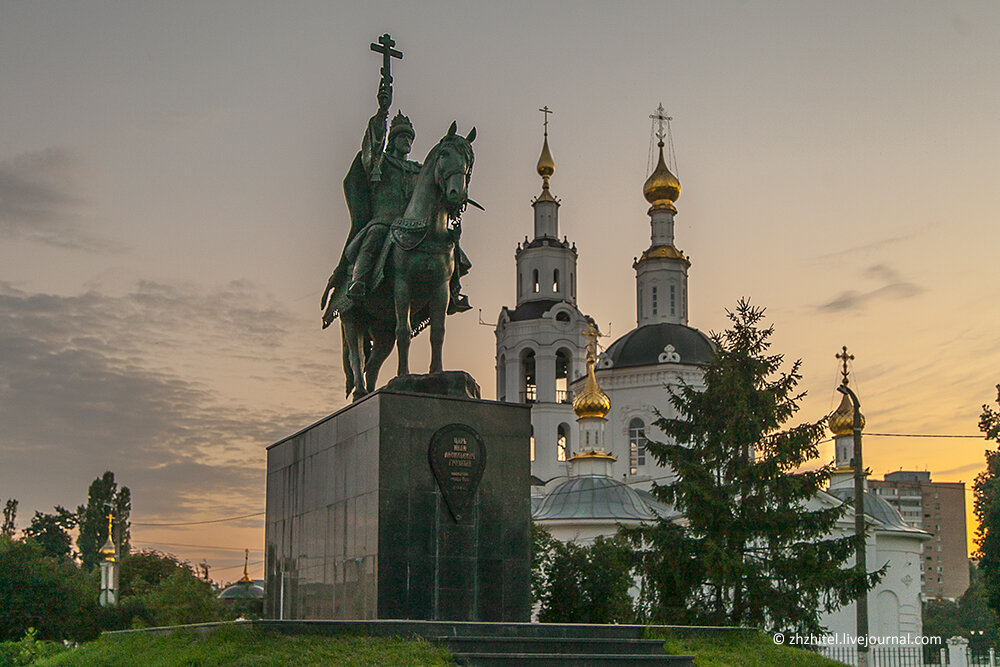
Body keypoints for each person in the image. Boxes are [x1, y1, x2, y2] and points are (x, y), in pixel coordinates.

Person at [340, 78, 471, 314]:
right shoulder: (382, 163)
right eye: (402, 137)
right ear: (393, 140)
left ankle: (454, 289)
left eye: (409, 138)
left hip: (415, 224)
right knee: (374, 236)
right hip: (385, 219)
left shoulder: (418, 170)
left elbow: (434, 191)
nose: (407, 142)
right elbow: (372, 145)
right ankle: (358, 280)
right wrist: (382, 112)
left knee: (450, 242)